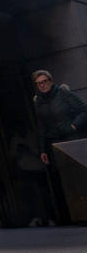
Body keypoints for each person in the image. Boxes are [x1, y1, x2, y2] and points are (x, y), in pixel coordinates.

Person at [32, 69, 87, 224]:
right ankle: (72, 216)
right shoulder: (38, 102)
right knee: (63, 180)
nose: (42, 85)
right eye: (38, 83)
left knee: (80, 176)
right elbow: (41, 127)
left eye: (44, 81)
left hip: (72, 139)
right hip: (54, 143)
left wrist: (74, 126)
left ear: (50, 81)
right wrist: (43, 149)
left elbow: (83, 110)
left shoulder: (63, 93)